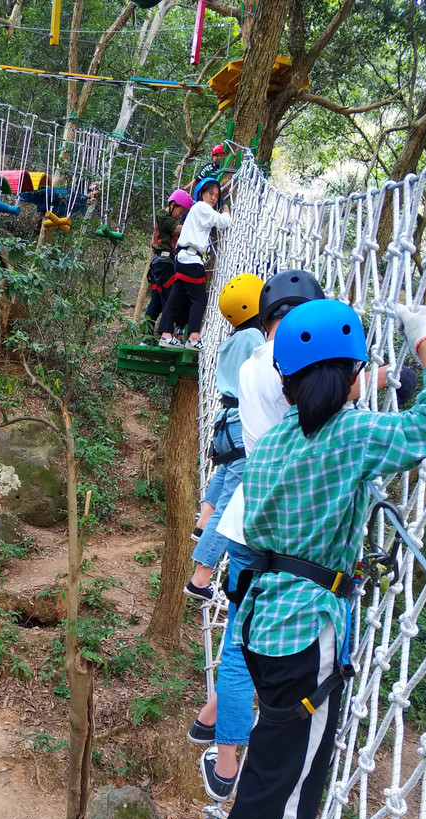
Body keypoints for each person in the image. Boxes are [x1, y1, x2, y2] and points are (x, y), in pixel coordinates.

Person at [185, 299, 426, 819]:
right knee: (288, 784)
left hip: (265, 622)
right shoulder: (355, 437)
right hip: (311, 637)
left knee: (274, 761)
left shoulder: (271, 444)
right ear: (350, 377)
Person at [186, 270, 324, 804]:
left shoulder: (247, 363)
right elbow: (325, 406)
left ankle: (210, 717)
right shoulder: (296, 360)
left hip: (248, 517)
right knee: (246, 646)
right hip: (290, 523)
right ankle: (226, 765)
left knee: (242, 632)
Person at [183, 273, 264, 604]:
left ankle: (201, 525)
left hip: (223, 422)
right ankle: (200, 579)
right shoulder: (255, 338)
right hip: (241, 423)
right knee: (232, 506)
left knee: (222, 480)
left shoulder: (231, 340)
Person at [158, 178, 231, 351]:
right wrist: (226, 209)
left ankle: (166, 334)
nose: (213, 198)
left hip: (183, 258)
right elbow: (223, 222)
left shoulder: (198, 211)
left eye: (216, 195)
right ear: (201, 193)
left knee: (175, 298)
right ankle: (194, 337)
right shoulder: (201, 207)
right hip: (191, 259)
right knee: (199, 299)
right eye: (210, 193)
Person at [142, 189, 193, 336]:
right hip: (164, 263)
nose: (180, 216)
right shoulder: (162, 215)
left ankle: (147, 334)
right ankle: (167, 332)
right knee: (170, 298)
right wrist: (195, 225)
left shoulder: (167, 217)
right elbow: (177, 229)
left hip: (160, 264)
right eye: (181, 212)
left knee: (157, 301)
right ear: (172, 205)